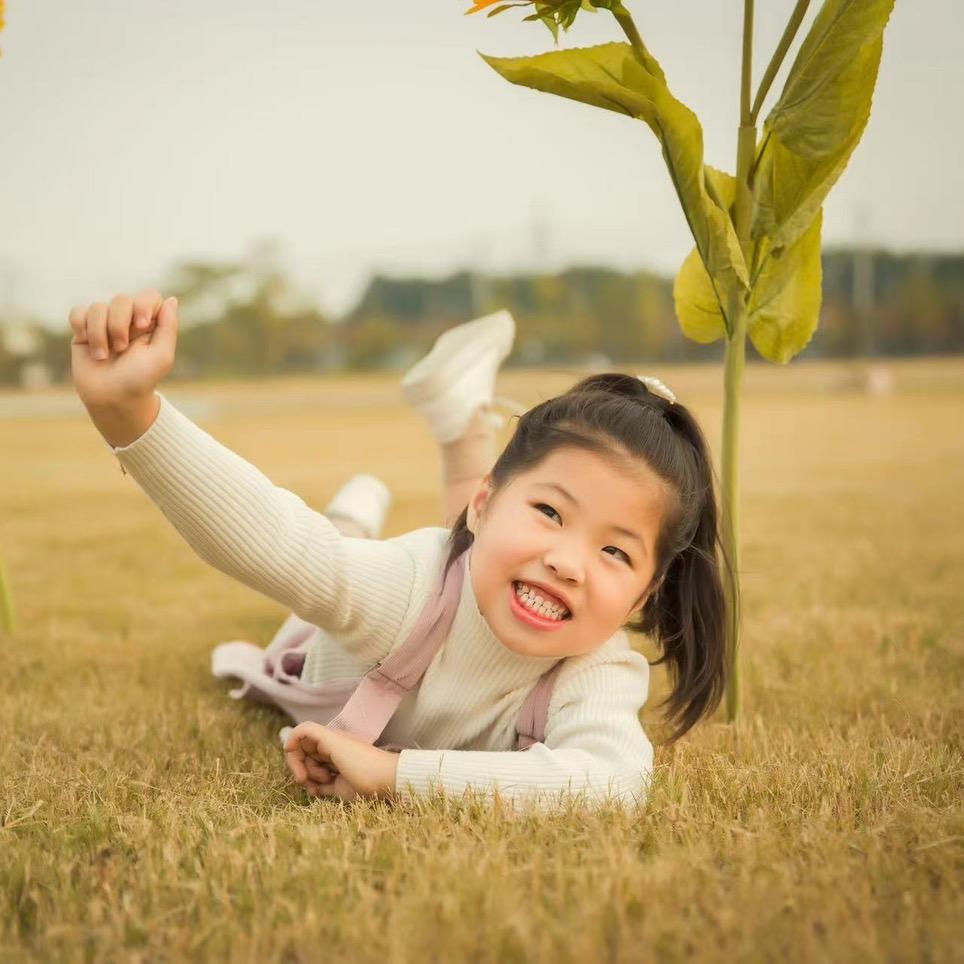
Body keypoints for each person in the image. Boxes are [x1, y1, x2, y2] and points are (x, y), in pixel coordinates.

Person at [69, 290, 735, 811]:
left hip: (454, 569)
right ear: (482, 497)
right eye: (550, 511)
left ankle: (457, 421)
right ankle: (358, 511)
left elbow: (609, 783)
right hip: (354, 615)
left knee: (487, 563)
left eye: (616, 553)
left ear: (647, 592)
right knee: (366, 555)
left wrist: (394, 774)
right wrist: (131, 413)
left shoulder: (598, 669)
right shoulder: (403, 588)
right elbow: (279, 543)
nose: (568, 560)